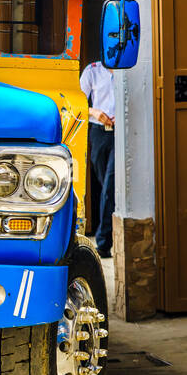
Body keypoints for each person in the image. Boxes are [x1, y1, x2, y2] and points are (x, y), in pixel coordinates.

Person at [81, 60, 116, 258]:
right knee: (106, 186)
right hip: (99, 132)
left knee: (110, 183)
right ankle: (108, 233)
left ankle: (103, 242)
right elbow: (77, 102)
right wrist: (95, 111)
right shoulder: (92, 71)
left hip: (122, 131)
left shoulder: (127, 70)